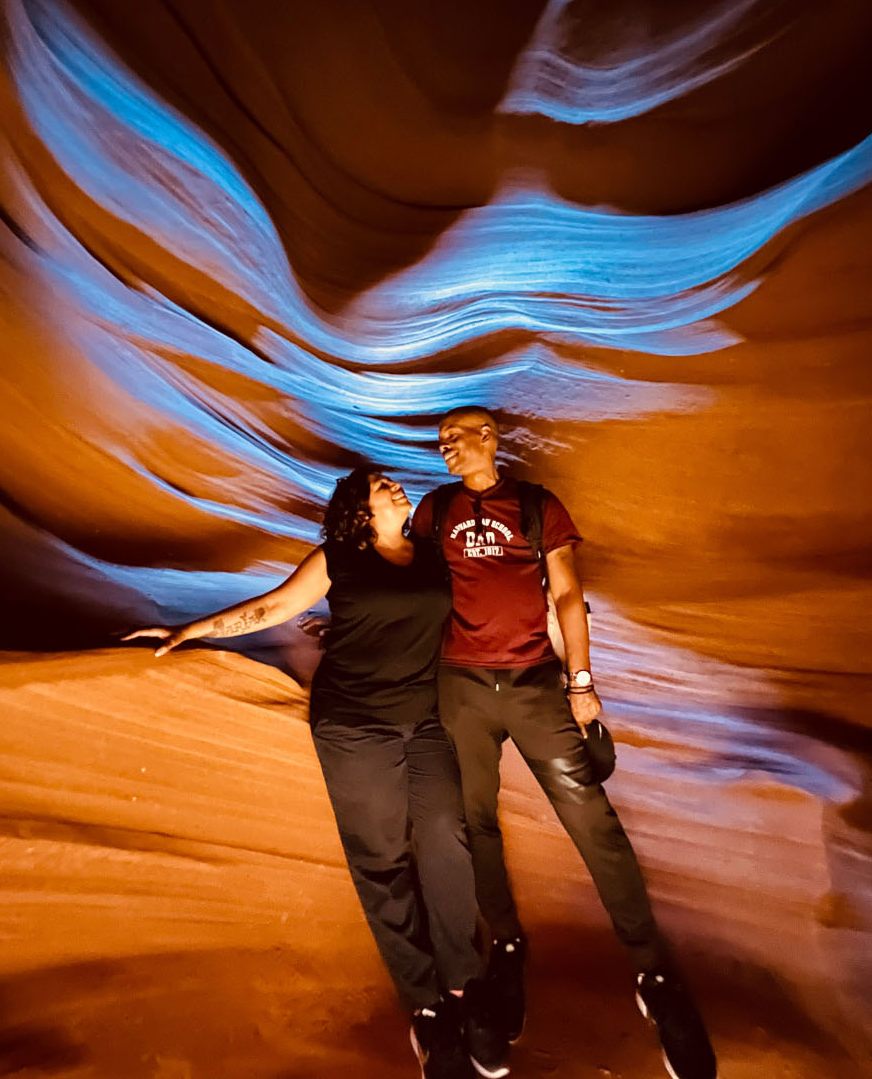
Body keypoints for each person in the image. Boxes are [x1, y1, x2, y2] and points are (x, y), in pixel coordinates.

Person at [126, 469, 484, 1079]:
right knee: (383, 859)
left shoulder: (433, 554)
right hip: (352, 724)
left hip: (424, 719)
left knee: (449, 839)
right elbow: (274, 606)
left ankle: (464, 985)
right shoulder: (337, 558)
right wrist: (194, 629)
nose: (395, 488)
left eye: (394, 482)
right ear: (358, 507)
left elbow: (469, 608)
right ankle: (424, 1008)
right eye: (380, 486)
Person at [412, 406, 713, 1079]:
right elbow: (416, 590)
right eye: (440, 443)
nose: (446, 450)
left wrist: (581, 683)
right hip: (459, 688)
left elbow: (569, 593)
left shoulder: (535, 506)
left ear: (489, 438)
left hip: (534, 687)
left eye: (456, 438)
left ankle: (652, 976)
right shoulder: (433, 512)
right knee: (475, 823)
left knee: (592, 822)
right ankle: (508, 949)